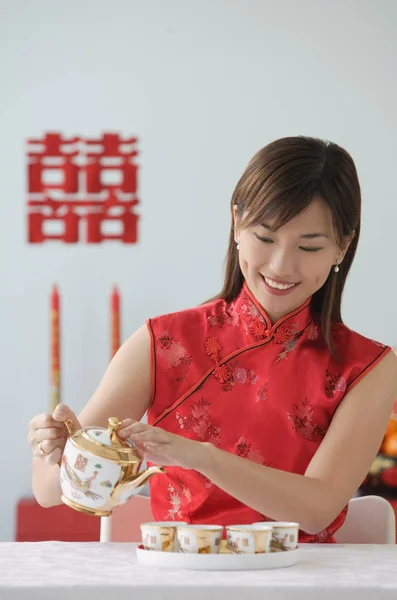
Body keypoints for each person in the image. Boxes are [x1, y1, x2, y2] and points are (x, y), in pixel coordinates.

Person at [28, 136, 397, 543]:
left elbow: (316, 510)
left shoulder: (367, 367)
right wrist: (54, 450)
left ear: (342, 246)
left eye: (309, 246)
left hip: (302, 580)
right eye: (265, 238)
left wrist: (199, 456)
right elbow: (48, 491)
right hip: (179, 579)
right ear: (237, 223)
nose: (281, 265)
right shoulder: (163, 341)